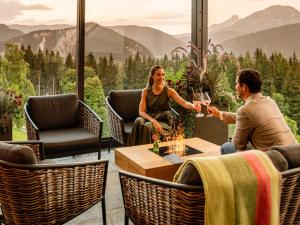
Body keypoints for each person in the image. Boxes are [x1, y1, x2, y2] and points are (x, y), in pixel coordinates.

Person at [207, 69, 297, 154]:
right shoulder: (269, 101)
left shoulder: (246, 110)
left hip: (276, 158)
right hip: (294, 152)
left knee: (227, 147)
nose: (235, 87)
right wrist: (220, 114)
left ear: (244, 87)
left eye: (236, 84)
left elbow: (238, 144)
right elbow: (249, 118)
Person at [128, 65, 200, 146]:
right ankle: (135, 151)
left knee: (148, 126)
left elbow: (184, 103)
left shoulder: (169, 91)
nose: (161, 77)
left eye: (163, 74)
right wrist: (153, 121)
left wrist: (194, 106)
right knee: (138, 121)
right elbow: (141, 112)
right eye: (158, 74)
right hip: (150, 118)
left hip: (164, 120)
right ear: (152, 76)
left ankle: (149, 151)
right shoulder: (146, 91)